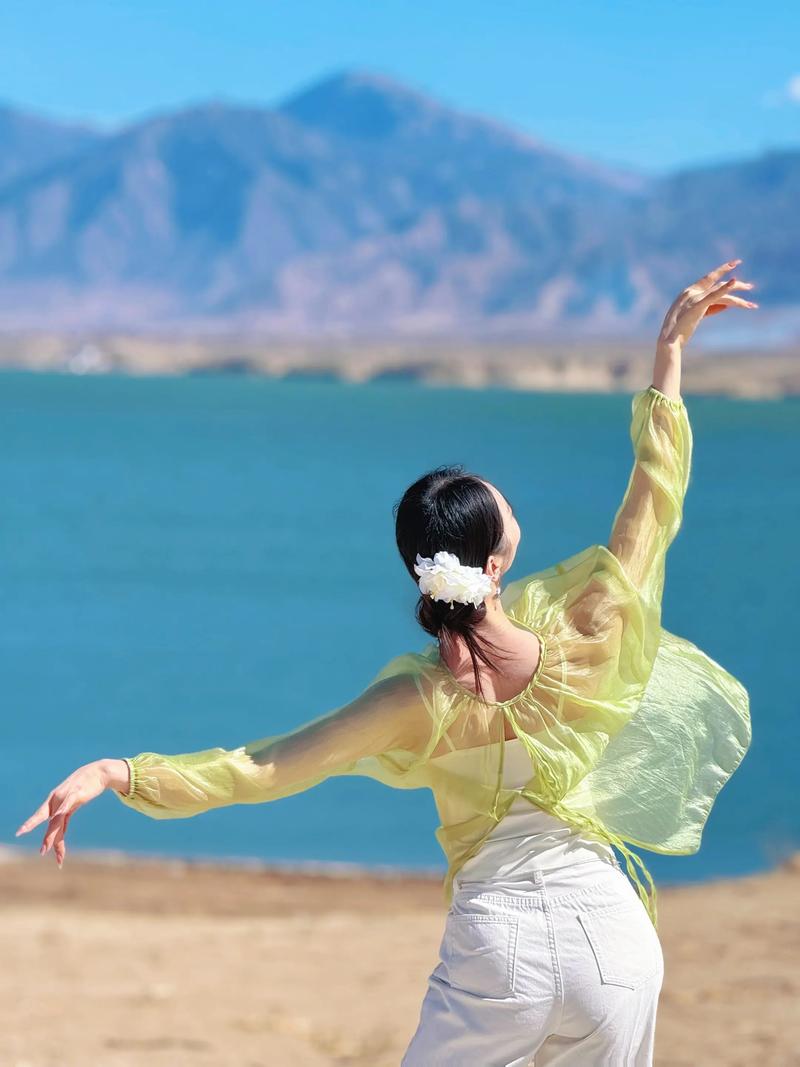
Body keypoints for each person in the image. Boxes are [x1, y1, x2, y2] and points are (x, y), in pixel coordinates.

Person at [16, 259, 755, 1066]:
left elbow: (266, 767)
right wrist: (668, 357)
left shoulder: (417, 698)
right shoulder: (588, 629)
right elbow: (652, 501)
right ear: (495, 563)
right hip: (615, 939)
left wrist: (125, 772)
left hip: (502, 943)